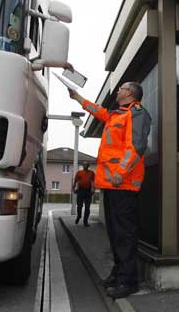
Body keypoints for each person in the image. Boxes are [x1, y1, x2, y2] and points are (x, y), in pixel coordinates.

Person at [68, 81, 151, 299]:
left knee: (124, 234)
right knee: (115, 234)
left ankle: (129, 281)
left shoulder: (137, 114)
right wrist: (78, 98)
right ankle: (119, 273)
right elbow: (99, 111)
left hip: (123, 183)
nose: (118, 91)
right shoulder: (117, 115)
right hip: (111, 184)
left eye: (122, 88)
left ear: (131, 94)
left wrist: (121, 171)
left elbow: (137, 146)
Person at [73, 161, 95, 227]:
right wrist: (74, 188)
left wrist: (93, 189)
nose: (85, 165)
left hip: (88, 192)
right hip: (80, 191)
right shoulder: (79, 173)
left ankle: (85, 221)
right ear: (83, 165)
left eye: (86, 164)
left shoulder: (92, 173)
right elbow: (75, 181)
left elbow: (93, 181)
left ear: (88, 166)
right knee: (79, 206)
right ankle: (79, 216)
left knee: (87, 208)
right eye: (84, 164)